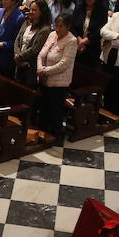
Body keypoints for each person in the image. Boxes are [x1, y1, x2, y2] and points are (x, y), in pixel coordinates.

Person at [35, 11, 77, 145]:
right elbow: (41, 54)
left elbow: (64, 64)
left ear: (68, 27)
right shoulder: (52, 35)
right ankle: (42, 133)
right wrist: (40, 68)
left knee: (56, 110)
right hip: (44, 79)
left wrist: (44, 71)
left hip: (59, 82)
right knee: (44, 107)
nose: (57, 29)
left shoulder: (71, 41)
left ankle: (57, 135)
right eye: (56, 25)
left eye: (61, 26)